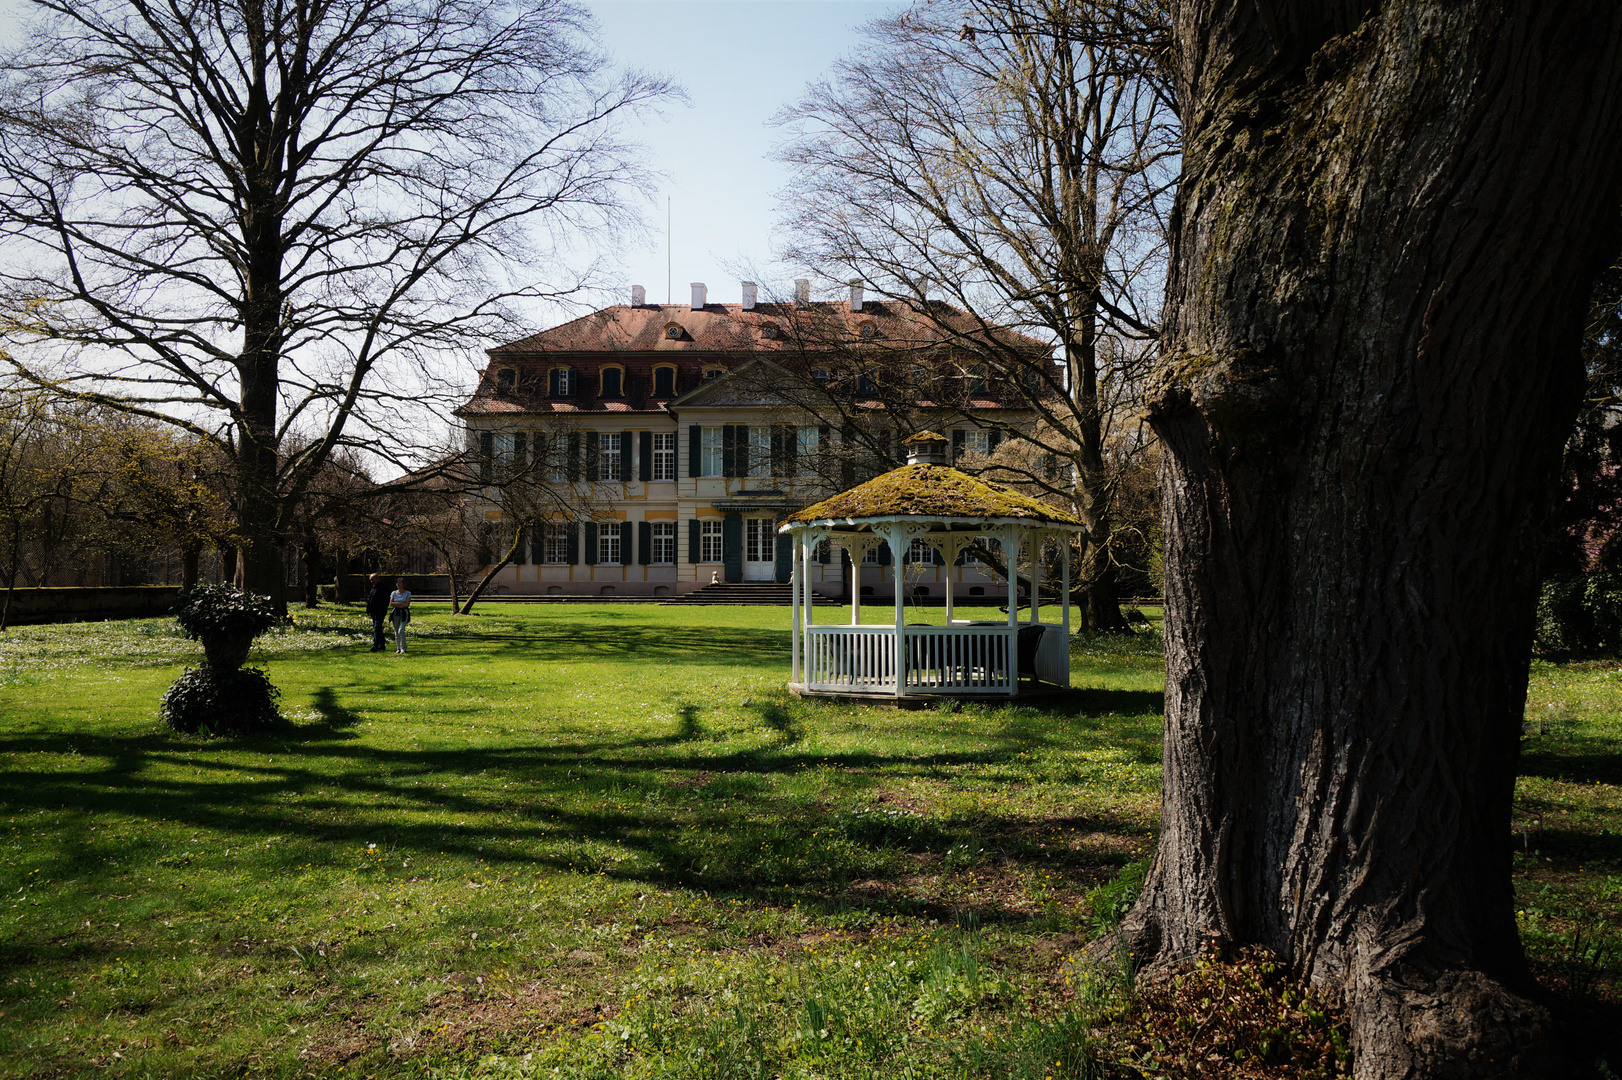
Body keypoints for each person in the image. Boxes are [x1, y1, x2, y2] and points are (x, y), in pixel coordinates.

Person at [365, 572, 389, 652]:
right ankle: (381, 644)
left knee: (377, 627)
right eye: (370, 580)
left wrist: (381, 608)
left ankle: (375, 644)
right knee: (378, 628)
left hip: (380, 611)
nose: (371, 581)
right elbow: (371, 600)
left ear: (377, 579)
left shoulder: (383, 588)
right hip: (373, 611)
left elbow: (386, 600)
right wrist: (368, 609)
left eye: (373, 579)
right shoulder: (373, 588)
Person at [389, 577, 412, 654]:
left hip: (404, 613)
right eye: (397, 583)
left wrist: (398, 604)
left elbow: (406, 604)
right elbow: (391, 603)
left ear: (403, 584)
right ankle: (398, 648)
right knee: (396, 631)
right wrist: (401, 603)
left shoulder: (407, 593)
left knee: (401, 630)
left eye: (399, 583)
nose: (398, 584)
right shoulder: (394, 593)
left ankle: (403, 648)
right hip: (395, 612)